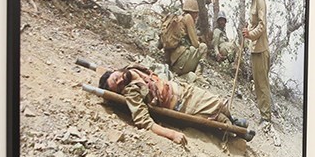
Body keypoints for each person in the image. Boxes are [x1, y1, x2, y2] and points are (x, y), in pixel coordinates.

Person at [98, 64, 252, 144]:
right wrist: (171, 134)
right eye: (117, 86)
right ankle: (237, 133)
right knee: (217, 111)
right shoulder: (131, 92)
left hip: (183, 89)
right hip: (182, 104)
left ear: (114, 71)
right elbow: (144, 122)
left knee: (220, 104)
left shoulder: (131, 68)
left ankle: (233, 122)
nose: (119, 81)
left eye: (115, 78)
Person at [244, 0, 273, 133]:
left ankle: (266, 118)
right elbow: (254, 23)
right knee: (259, 83)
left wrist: (250, 35)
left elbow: (262, 25)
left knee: (262, 85)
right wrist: (247, 29)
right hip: (255, 49)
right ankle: (264, 114)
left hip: (261, 49)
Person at [160, 0, 208, 77]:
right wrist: (199, 42)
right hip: (181, 64)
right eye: (196, 13)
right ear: (194, 12)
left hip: (173, 63)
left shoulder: (178, 18)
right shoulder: (188, 17)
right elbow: (195, 44)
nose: (196, 16)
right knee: (203, 47)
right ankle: (198, 75)